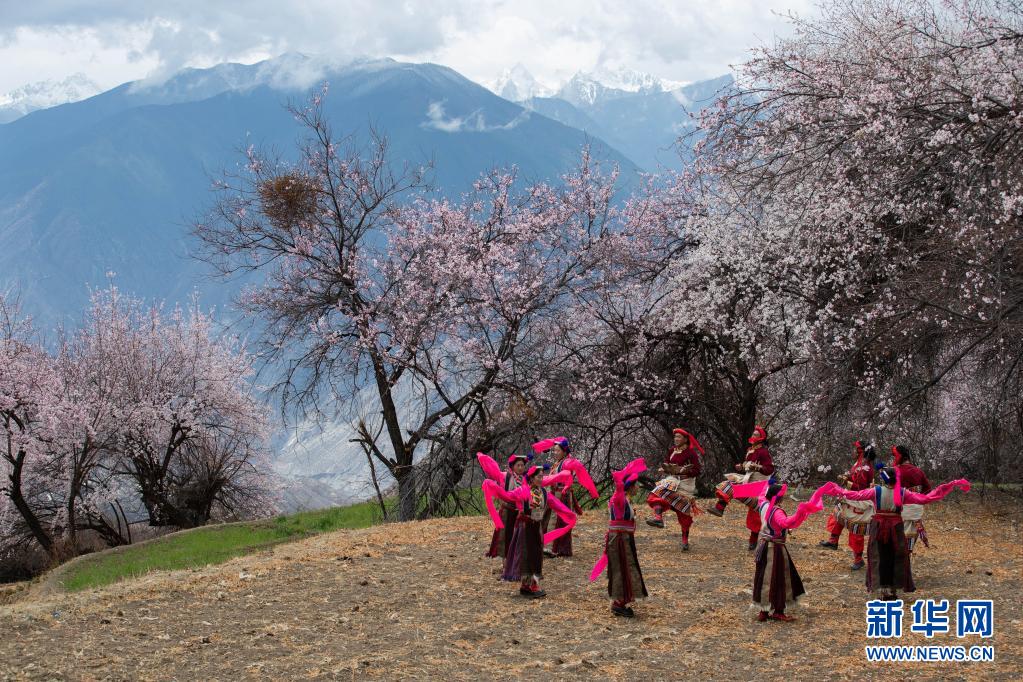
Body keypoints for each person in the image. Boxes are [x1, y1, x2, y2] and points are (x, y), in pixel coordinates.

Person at [819, 468, 969, 601]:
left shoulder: (875, 491)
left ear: (883, 480)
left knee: (879, 556)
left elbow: (856, 495)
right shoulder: (902, 493)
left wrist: (838, 490)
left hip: (878, 527)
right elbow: (924, 499)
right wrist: (947, 487)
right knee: (896, 556)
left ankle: (883, 589)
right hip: (896, 527)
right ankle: (893, 589)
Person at [482, 465, 577, 598]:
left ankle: (532, 584)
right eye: (538, 476)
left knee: (537, 555)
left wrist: (570, 515)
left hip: (536, 528)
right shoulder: (522, 490)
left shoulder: (544, 493)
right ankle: (526, 585)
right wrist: (492, 486)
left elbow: (557, 504)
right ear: (531, 478)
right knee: (526, 555)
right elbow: (507, 496)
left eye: (542, 476)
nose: (541, 478)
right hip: (525, 527)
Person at [745, 480, 830, 622]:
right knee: (779, 578)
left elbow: (762, 497)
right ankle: (778, 610)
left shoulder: (763, 505)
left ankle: (764, 612)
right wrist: (801, 512)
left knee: (764, 578)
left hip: (764, 546)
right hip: (775, 549)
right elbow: (785, 523)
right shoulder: (776, 511)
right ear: (779, 498)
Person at [589, 458, 649, 618]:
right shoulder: (619, 500)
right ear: (629, 487)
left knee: (626, 568)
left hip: (625, 539)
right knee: (620, 569)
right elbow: (618, 495)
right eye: (636, 484)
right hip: (619, 540)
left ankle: (622, 600)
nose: (638, 487)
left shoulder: (626, 501)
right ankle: (618, 603)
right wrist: (619, 482)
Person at [706, 425, 775, 550]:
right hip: (749, 483)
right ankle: (720, 507)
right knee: (727, 484)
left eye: (756, 435)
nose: (753, 436)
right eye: (753, 434)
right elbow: (749, 467)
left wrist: (758, 467)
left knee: (755, 514)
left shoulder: (763, 452)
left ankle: (753, 541)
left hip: (758, 486)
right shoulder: (751, 450)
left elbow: (769, 469)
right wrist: (742, 467)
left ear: (761, 438)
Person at [531, 436, 598, 558]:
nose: (555, 453)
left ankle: (553, 548)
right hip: (553, 495)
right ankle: (546, 545)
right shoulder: (558, 462)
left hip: (562, 496)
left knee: (556, 520)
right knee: (547, 519)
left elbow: (571, 477)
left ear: (564, 451)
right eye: (554, 450)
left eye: (557, 450)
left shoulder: (567, 463)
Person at [819, 441, 877, 569]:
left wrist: (846, 481)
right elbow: (855, 478)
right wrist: (848, 477)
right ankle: (833, 541)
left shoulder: (865, 466)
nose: (853, 451)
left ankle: (858, 559)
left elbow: (861, 486)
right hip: (851, 497)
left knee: (856, 529)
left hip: (859, 500)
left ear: (860, 451)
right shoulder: (860, 464)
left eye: (855, 449)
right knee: (838, 515)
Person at [645, 428, 703, 550]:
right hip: (672, 481)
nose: (676, 439)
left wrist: (684, 471)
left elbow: (697, 470)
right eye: (675, 437)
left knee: (684, 514)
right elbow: (666, 463)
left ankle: (685, 541)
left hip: (685, 484)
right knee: (657, 492)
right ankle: (658, 518)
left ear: (685, 439)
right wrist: (665, 469)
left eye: (679, 437)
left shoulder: (691, 453)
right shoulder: (672, 450)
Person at [477, 452, 531, 558]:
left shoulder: (526, 479)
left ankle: (516, 559)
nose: (520, 468)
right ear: (512, 466)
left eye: (522, 465)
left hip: (520, 512)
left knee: (518, 536)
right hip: (507, 510)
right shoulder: (505, 476)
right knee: (505, 536)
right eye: (518, 465)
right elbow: (493, 473)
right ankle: (505, 561)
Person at [892, 445, 932, 553]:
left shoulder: (895, 471)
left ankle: (899, 564)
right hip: (916, 512)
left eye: (894, 456)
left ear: (899, 456)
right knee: (909, 540)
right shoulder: (918, 471)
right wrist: (918, 498)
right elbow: (927, 489)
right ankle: (905, 562)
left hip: (899, 511)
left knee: (897, 540)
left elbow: (890, 491)